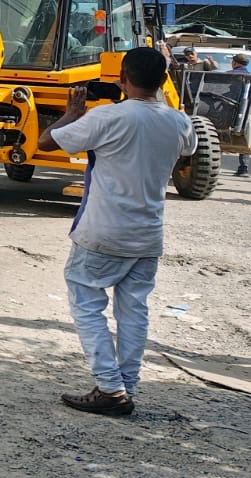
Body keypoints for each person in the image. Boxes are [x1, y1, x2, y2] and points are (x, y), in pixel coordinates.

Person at [38, 46, 196, 416]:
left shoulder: (107, 117)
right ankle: (127, 385)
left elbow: (46, 142)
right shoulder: (178, 122)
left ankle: (110, 388)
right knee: (134, 312)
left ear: (122, 78)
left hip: (102, 232)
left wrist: (72, 113)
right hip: (148, 235)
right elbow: (187, 150)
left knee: (87, 306)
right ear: (163, 81)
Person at [229, 53, 251, 176]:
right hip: (246, 113)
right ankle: (244, 168)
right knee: (244, 139)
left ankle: (213, 168)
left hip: (228, 111)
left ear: (235, 62)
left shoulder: (228, 75)